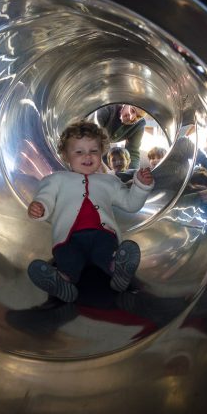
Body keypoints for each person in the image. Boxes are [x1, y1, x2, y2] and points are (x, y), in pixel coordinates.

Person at [27, 120, 154, 302]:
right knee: (68, 260)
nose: (87, 156)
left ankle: (117, 271)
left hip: (102, 234)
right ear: (65, 155)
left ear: (101, 153)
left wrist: (141, 186)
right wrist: (40, 207)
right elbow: (45, 197)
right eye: (79, 152)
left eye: (94, 151)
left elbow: (130, 204)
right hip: (69, 238)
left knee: (107, 252)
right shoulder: (57, 179)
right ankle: (62, 282)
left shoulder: (109, 182)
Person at [95, 104, 147, 168]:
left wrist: (133, 174)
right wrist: (110, 169)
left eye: (138, 116)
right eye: (132, 110)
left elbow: (133, 153)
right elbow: (97, 140)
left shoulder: (139, 125)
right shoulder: (106, 108)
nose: (132, 118)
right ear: (125, 103)